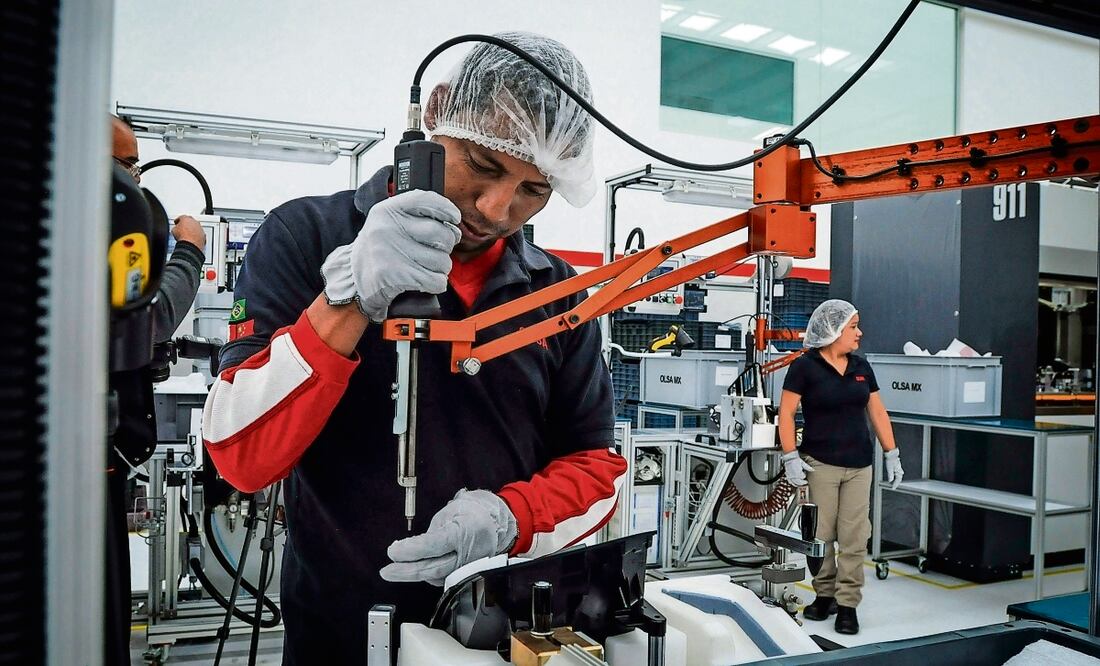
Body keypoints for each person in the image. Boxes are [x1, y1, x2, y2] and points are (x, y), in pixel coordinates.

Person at [201, 32, 625, 663]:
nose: (496, 209)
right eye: (482, 165)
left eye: (533, 190)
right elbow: (240, 455)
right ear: (436, 112)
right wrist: (347, 300)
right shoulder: (303, 236)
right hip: (339, 637)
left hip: (498, 640)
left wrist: (513, 518)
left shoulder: (556, 293)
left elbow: (594, 466)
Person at [105, 115, 208, 664]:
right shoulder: (100, 229)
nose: (133, 179)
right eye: (124, 165)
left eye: (134, 167)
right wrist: (189, 251)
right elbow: (152, 318)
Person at [777, 299, 903, 635]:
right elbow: (785, 413)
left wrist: (891, 452)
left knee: (854, 537)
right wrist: (790, 457)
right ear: (833, 331)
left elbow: (877, 412)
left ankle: (847, 604)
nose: (859, 333)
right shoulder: (804, 367)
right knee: (820, 535)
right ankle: (825, 594)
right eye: (853, 327)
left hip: (859, 466)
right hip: (819, 465)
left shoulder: (862, 366)